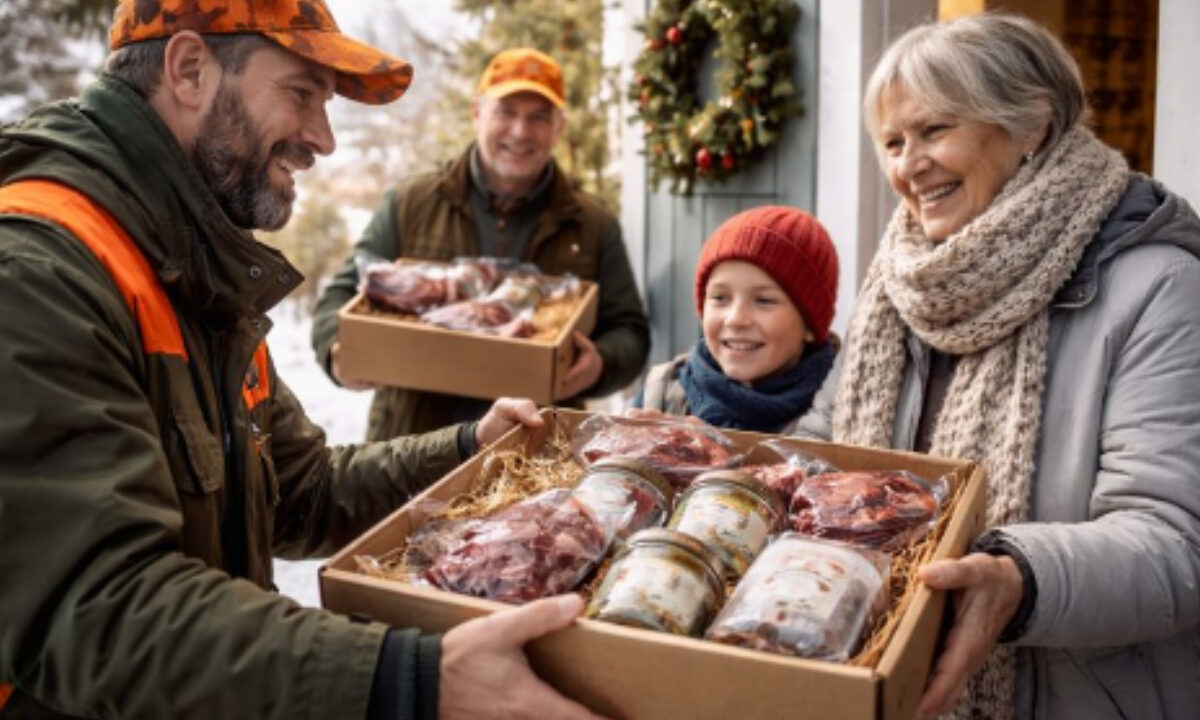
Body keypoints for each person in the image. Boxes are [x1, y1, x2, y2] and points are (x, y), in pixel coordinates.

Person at [0, 2, 608, 719]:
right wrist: (404, 681)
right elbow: (93, 603)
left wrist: (469, 449)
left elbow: (301, 491)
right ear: (189, 69)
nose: (323, 138)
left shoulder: (194, 272)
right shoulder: (37, 273)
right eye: (301, 94)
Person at [793, 12, 1200, 720]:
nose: (906, 165)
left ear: (1031, 126)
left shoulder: (1160, 286)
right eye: (892, 141)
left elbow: (1176, 545)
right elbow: (826, 452)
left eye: (934, 130)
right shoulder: (900, 280)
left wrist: (1020, 578)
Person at [311, 47, 651, 441]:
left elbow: (630, 332)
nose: (521, 132)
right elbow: (339, 297)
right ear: (477, 113)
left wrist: (601, 364)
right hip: (412, 449)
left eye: (539, 117)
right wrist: (338, 353)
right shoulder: (412, 201)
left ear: (559, 128)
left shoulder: (593, 224)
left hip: (537, 455)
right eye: (506, 111)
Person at [632, 205, 838, 432]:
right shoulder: (661, 394)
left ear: (809, 324)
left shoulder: (838, 410)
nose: (736, 319)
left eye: (764, 301)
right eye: (720, 298)